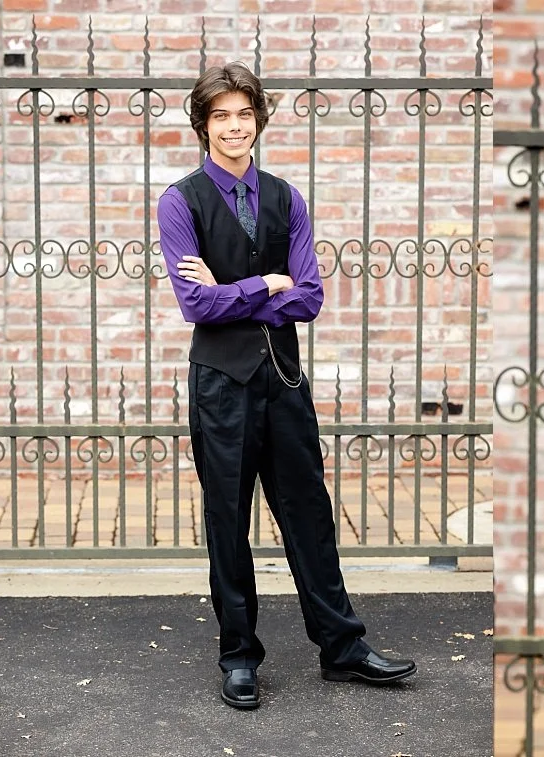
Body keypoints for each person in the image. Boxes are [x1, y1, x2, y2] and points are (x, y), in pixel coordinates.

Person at [163, 62, 417, 711]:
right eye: (220, 115)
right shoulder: (180, 201)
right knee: (227, 520)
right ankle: (239, 654)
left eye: (243, 114)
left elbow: (310, 298)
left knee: (309, 513)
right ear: (203, 125)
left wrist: (238, 292)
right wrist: (263, 285)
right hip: (220, 385)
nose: (233, 126)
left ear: (258, 120)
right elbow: (195, 304)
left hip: (284, 380)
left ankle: (342, 646)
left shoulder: (286, 197)